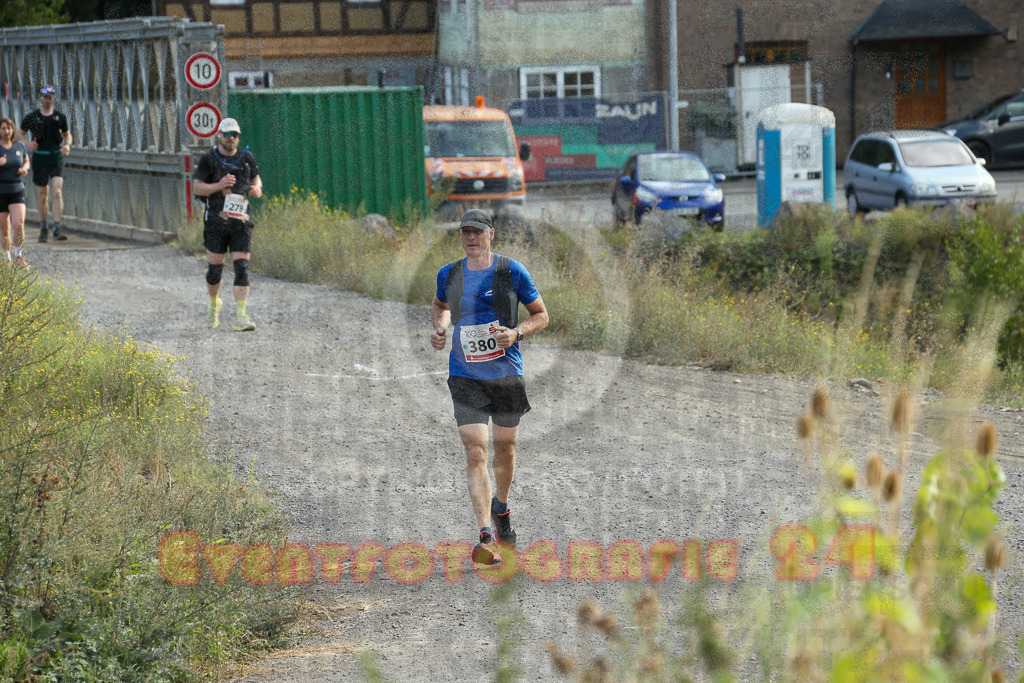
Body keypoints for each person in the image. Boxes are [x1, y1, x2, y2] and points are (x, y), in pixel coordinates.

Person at [430, 209, 549, 565]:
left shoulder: (512, 270)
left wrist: (516, 333)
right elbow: (440, 306)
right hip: (465, 375)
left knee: (506, 449)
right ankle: (485, 535)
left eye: (477, 232)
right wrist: (439, 327)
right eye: (465, 232)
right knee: (476, 450)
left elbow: (541, 315)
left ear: (491, 234)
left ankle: (501, 506)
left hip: (505, 374)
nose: (471, 237)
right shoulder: (449, 273)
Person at [191, 118, 263, 331]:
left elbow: (256, 179)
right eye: (227, 134)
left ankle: (241, 317)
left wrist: (257, 189)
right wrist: (219, 185)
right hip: (216, 220)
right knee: (215, 269)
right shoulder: (209, 159)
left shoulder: (246, 158)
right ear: (219, 135)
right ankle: (214, 304)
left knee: (242, 267)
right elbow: (197, 188)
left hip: (241, 221)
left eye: (235, 135)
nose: (230, 139)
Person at [18, 85, 71, 242]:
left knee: (56, 192)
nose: (47, 100)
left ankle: (56, 227)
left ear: (53, 99)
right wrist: (29, 144)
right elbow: (20, 133)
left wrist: (67, 145)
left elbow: (67, 135)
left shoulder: (60, 117)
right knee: (43, 194)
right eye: (44, 97)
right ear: (40, 97)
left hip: (56, 157)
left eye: (50, 97)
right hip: (40, 158)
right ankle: (43, 226)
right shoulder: (32, 117)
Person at [0, 117, 31, 267]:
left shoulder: (19, 146)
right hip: (1, 190)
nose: (7, 131)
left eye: (9, 128)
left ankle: (19, 255)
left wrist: (25, 168)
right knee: (5, 228)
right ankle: (7, 258)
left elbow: (26, 160)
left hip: (17, 188)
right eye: (3, 128)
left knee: (18, 223)